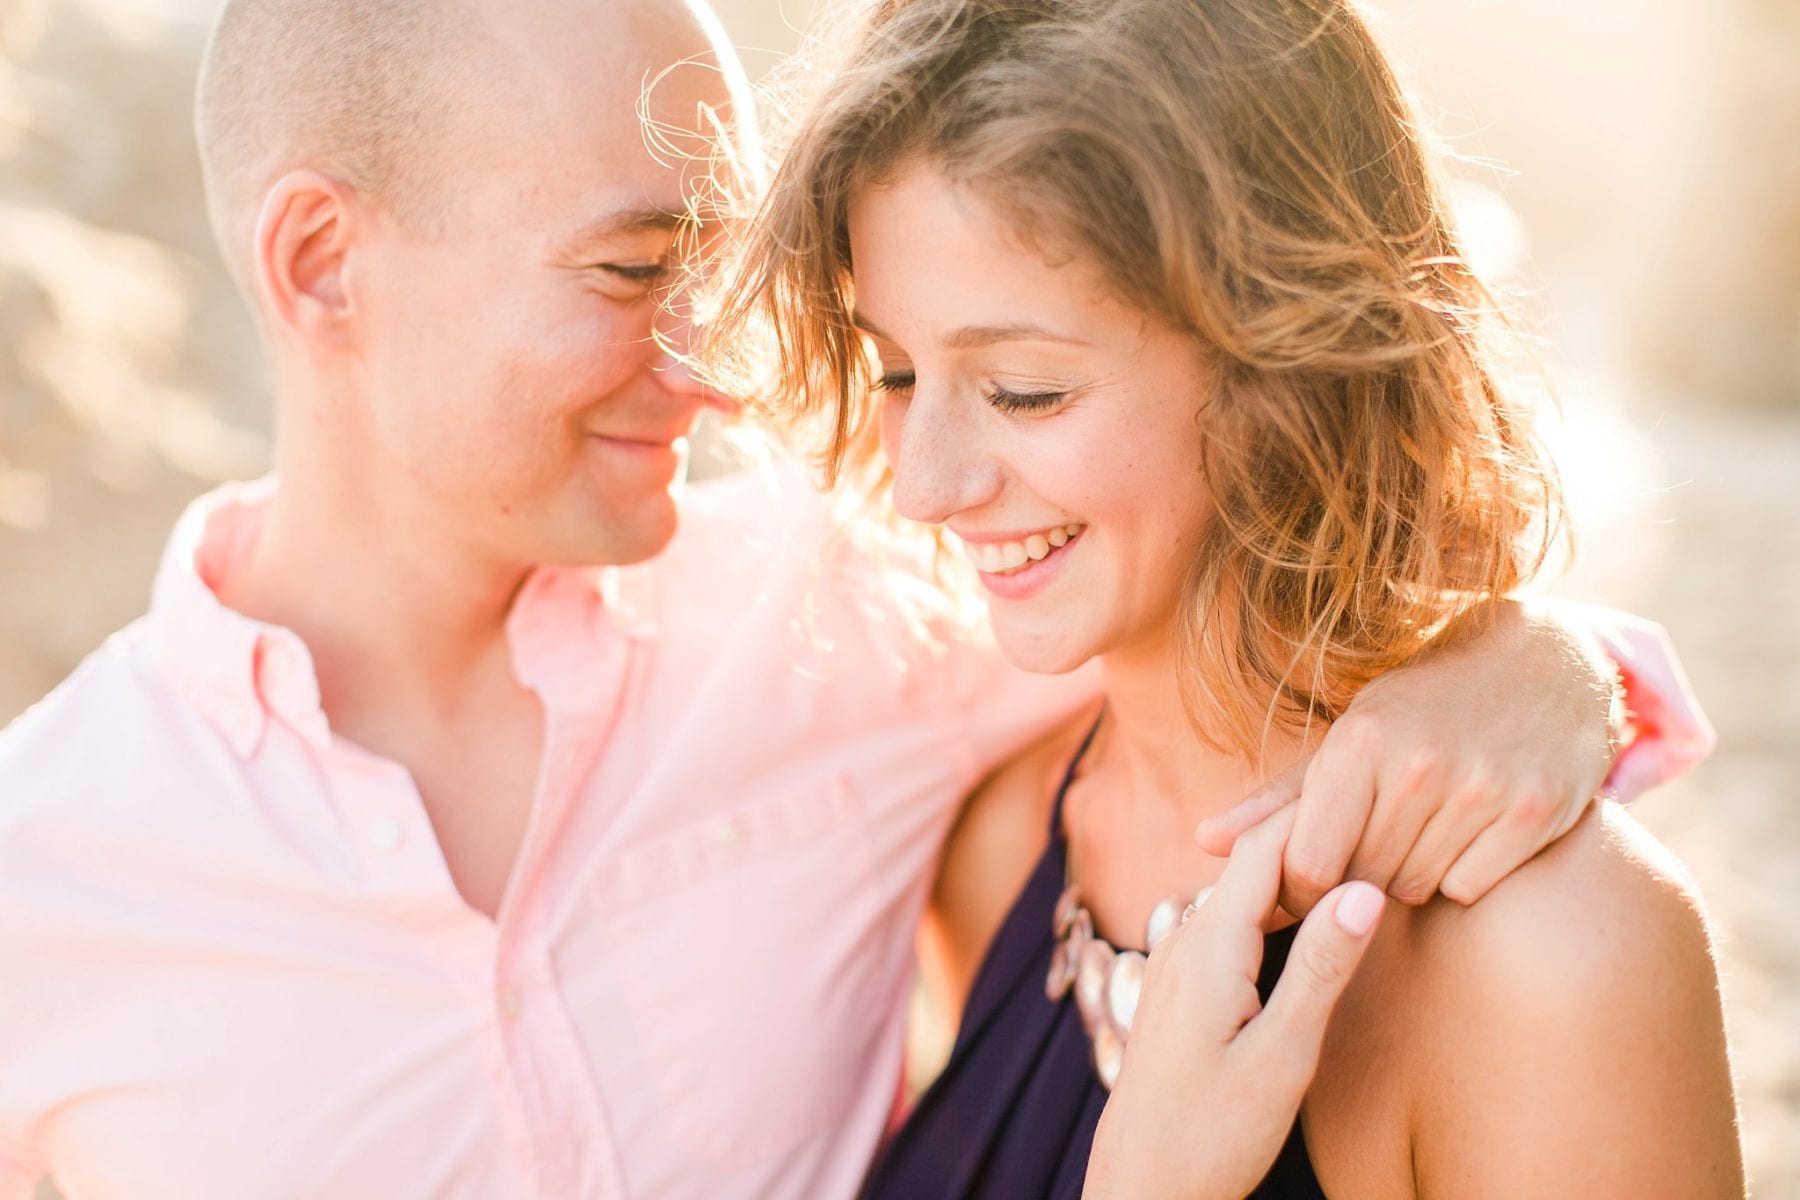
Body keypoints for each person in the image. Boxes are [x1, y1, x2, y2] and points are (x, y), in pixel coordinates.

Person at [0, 0, 1711, 1196]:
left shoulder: (839, 619)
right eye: (624, 272)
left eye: (724, 278)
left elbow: (1243, 586)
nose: (730, 380)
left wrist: (1533, 660)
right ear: (320, 262)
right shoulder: (47, 867)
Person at [710, 0, 1744, 1194]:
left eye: (1025, 391)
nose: (924, 484)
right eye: (895, 370)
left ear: (1290, 361)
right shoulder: (993, 845)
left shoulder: (1558, 962)